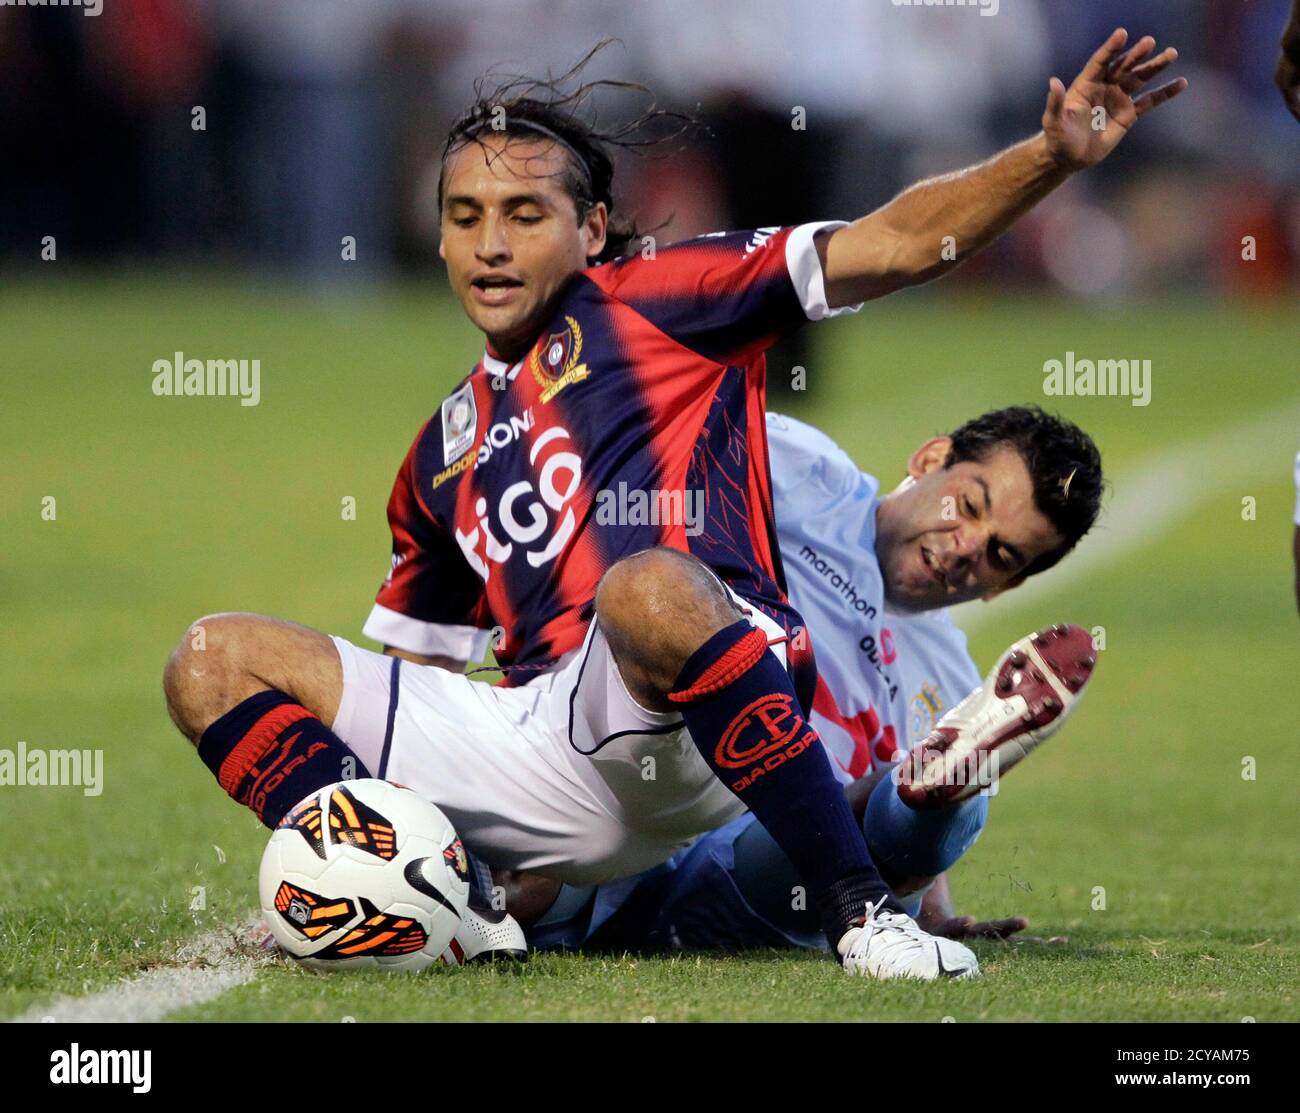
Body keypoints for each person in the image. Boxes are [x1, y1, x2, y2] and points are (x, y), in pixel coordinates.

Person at [164, 31, 1181, 980]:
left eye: (525, 215)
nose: (491, 245)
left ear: (592, 227)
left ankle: (863, 913)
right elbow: (418, 674)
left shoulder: (660, 300)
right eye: (465, 217)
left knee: (644, 586)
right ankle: (413, 894)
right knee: (211, 661)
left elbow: (897, 243)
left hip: (682, 707)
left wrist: (1047, 160)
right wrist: (366, 834)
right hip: (542, 736)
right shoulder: (441, 451)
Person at [511, 407, 1102, 954]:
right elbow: (633, 447)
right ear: (929, 460)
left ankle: (938, 789)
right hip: (633, 782)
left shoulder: (951, 679)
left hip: (747, 877)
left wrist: (936, 916)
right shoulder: (797, 468)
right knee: (535, 873)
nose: (967, 546)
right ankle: (936, 796)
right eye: (968, 506)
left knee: (867, 817)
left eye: (1002, 555)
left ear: (1008, 586)